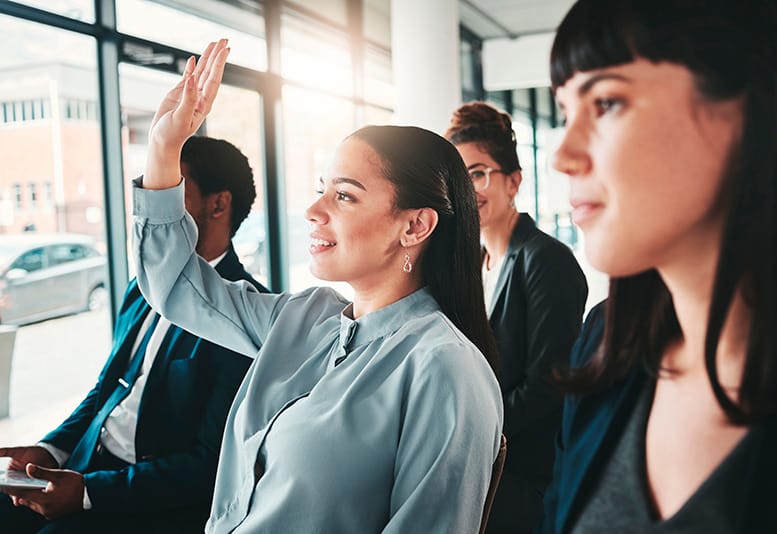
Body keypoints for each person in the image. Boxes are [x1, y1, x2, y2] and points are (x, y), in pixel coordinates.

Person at [131, 40, 503, 533]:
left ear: (414, 227)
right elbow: (173, 283)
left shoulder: (445, 370)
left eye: (344, 195)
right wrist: (163, 148)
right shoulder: (304, 320)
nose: (313, 211)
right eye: (320, 189)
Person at [538, 0, 777, 533]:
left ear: (759, 114)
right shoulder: (602, 350)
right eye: (565, 112)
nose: (561, 154)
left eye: (606, 103)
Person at [0, 135, 268, 533]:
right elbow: (105, 390)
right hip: (86, 463)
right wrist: (49, 449)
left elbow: (211, 461)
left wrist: (89, 492)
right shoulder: (139, 289)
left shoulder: (250, 314)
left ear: (218, 204)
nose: (151, 209)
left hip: (147, 501)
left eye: (171, 190)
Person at [445, 102, 587, 533]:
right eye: (459, 178)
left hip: (529, 477)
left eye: (479, 173)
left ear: (514, 181)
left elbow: (548, 385)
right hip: (490, 470)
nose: (469, 190)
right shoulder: (475, 263)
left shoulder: (546, 260)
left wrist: (470, 431)